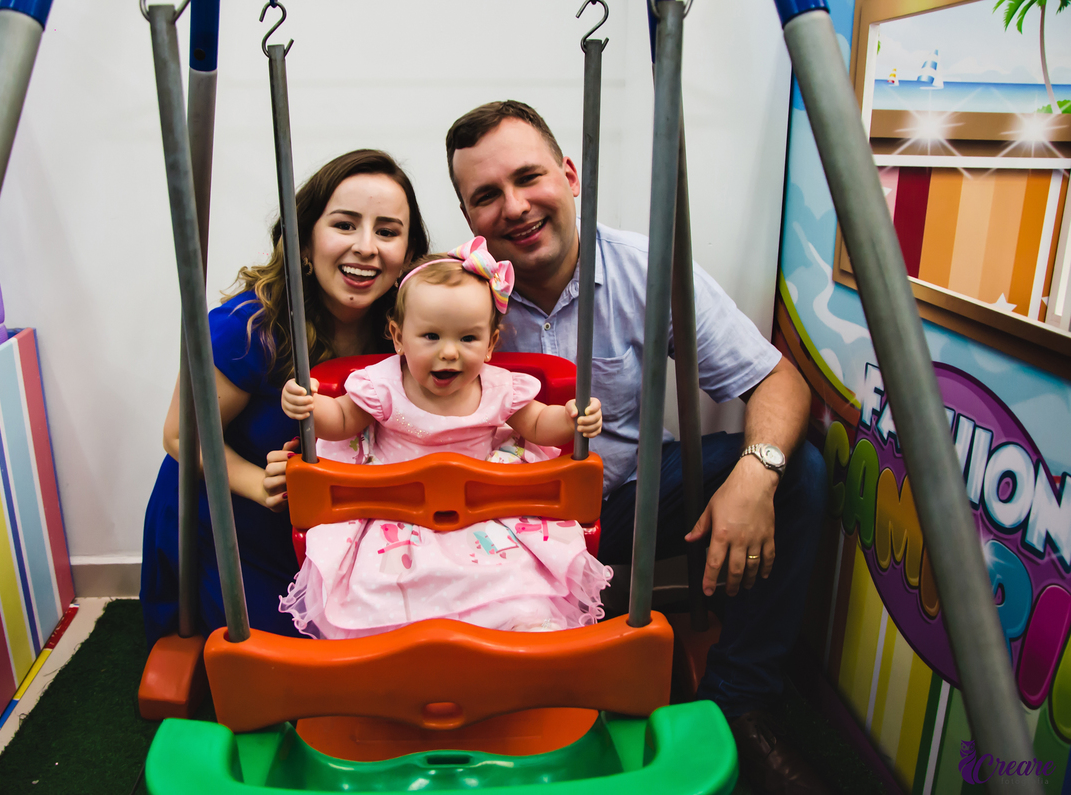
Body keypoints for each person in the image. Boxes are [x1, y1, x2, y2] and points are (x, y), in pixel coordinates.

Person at [446, 101, 830, 795]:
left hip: (625, 501)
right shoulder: (451, 295)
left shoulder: (645, 268)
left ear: (569, 175)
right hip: (497, 528)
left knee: (795, 470)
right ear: (469, 217)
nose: (514, 206)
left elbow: (778, 380)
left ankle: (737, 704)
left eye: (528, 177)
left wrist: (757, 470)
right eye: (485, 195)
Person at [141, 149, 430, 648]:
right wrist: (260, 485)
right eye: (344, 225)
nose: (366, 247)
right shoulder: (251, 326)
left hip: (330, 526)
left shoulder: (405, 331)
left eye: (387, 231)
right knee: (289, 666)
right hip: (233, 521)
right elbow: (179, 435)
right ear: (302, 241)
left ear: (407, 252)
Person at [278, 237, 609, 639]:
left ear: (491, 345)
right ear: (398, 337)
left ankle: (516, 630)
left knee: (515, 576)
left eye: (467, 339)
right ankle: (390, 643)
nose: (449, 353)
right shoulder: (383, 385)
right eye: (431, 337)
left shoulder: (500, 388)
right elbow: (343, 419)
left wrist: (573, 419)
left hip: (484, 514)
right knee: (376, 582)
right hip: (397, 514)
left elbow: (539, 425)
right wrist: (310, 406)